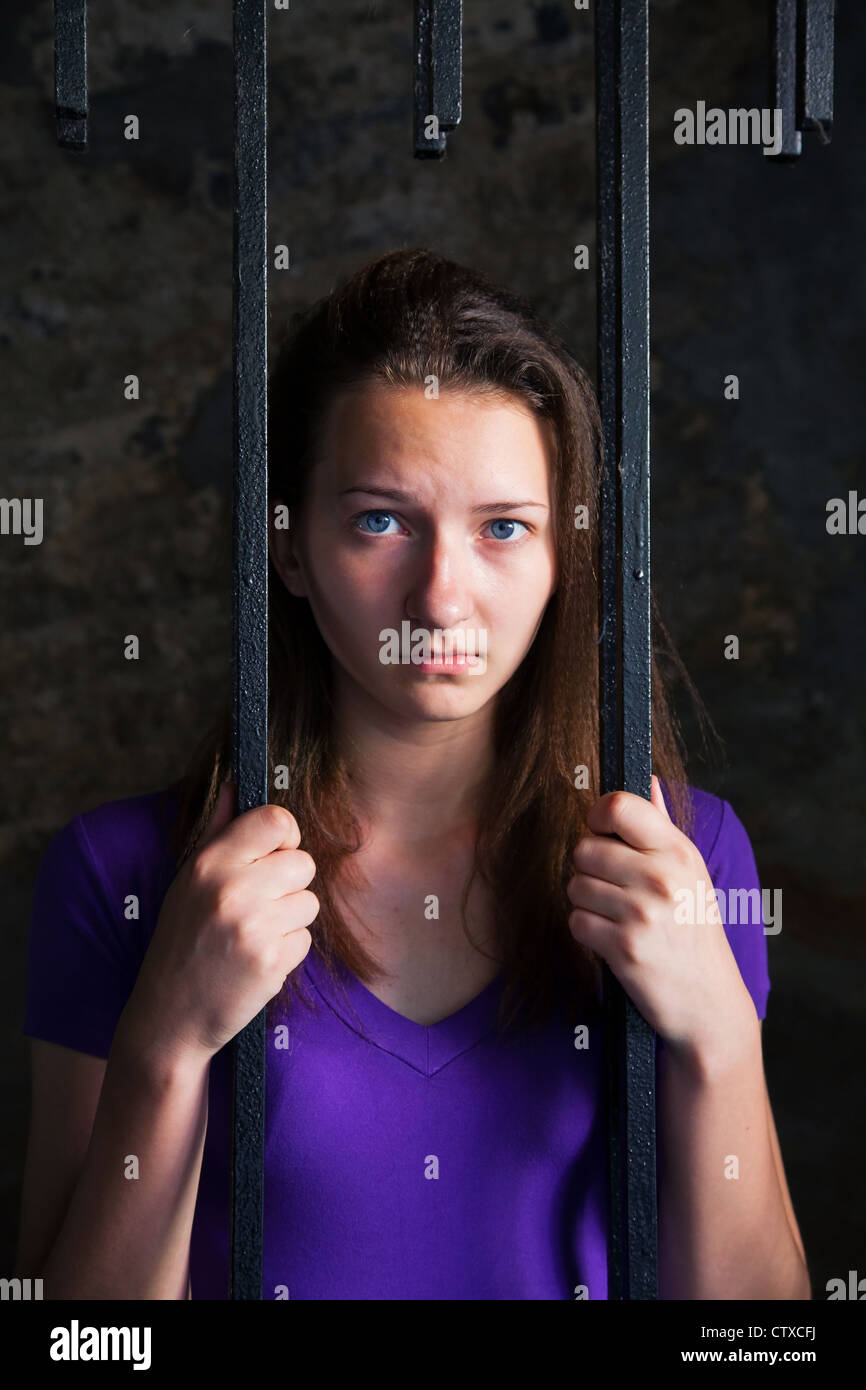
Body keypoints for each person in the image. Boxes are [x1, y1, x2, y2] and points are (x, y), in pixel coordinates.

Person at [15, 248, 809, 1300]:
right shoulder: (119, 872)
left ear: (561, 556)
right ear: (291, 550)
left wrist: (713, 1035)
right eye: (380, 520)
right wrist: (165, 1042)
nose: (441, 598)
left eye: (502, 529)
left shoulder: (679, 859)